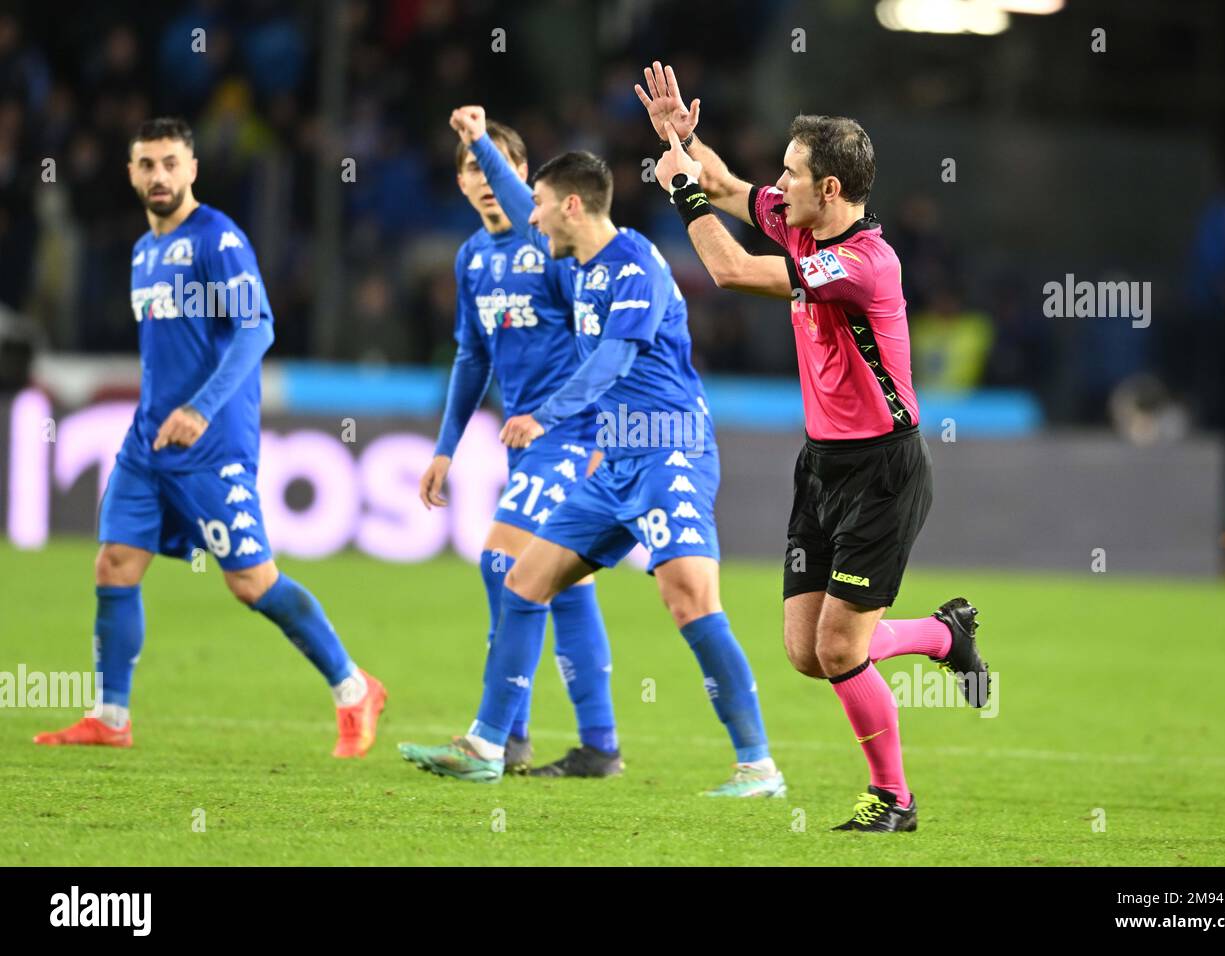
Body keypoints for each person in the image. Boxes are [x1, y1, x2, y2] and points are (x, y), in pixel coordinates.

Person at [636, 62, 990, 830]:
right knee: (808, 649)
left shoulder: (865, 264)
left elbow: (728, 270)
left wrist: (679, 189)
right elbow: (732, 188)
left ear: (830, 189)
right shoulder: (801, 217)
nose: (781, 182)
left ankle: (894, 799)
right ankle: (941, 634)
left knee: (838, 648)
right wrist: (682, 140)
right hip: (822, 463)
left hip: (883, 472)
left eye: (793, 173)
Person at [398, 105, 785, 797]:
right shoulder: (574, 265)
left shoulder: (636, 260)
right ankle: (489, 745)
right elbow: (518, 209)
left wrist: (545, 415)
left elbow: (615, 356)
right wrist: (481, 142)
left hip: (668, 449)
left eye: (543, 209)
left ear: (572, 207)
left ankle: (758, 765)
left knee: (689, 602)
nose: (532, 221)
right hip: (612, 461)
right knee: (523, 580)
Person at [34, 117, 386, 757]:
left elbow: (257, 329)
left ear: (192, 168)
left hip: (211, 445)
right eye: (147, 165)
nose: (159, 176)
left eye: (171, 163)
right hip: (149, 442)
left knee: (251, 583)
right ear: (132, 173)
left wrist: (199, 408)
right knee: (114, 563)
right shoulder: (143, 252)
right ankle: (111, 716)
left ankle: (354, 686)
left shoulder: (218, 239)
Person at [407, 118, 621, 778]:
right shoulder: (472, 257)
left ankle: (500, 737)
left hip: (570, 436)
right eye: (474, 166)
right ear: (461, 182)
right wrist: (446, 447)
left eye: (497, 164)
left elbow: (594, 339)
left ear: (525, 175)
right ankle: (598, 747)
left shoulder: (550, 246)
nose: (485, 178)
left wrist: (597, 431)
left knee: (502, 564)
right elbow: (473, 358)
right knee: (565, 588)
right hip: (522, 445)